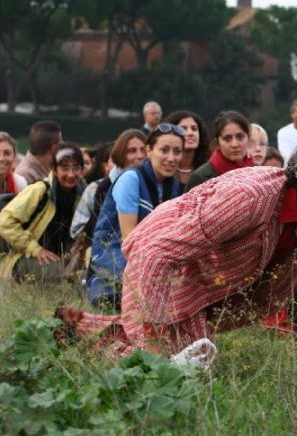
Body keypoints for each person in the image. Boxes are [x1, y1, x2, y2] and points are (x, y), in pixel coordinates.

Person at [56, 136, 297, 365]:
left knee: (191, 354)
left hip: (213, 283)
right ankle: (86, 349)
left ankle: (75, 325)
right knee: (178, 365)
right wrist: (151, 341)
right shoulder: (249, 199)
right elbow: (155, 254)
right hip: (168, 267)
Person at [85, 125, 183, 307]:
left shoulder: (174, 186)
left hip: (150, 256)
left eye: (177, 151)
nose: (171, 158)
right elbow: (129, 239)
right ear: (149, 151)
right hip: (114, 254)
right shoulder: (131, 179)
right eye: (164, 150)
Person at [0, 144, 85, 283]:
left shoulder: (83, 195)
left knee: (84, 273)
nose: (71, 174)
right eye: (65, 168)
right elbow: (4, 221)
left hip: (58, 258)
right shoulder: (40, 190)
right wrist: (35, 249)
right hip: (23, 258)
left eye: (76, 168)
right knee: (68, 277)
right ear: (54, 170)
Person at [68, 130, 148, 274]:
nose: (139, 156)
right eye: (132, 151)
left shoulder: (153, 183)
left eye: (143, 150)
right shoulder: (103, 187)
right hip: (111, 252)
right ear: (121, 155)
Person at [184, 111, 254, 192]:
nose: (235, 144)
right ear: (217, 143)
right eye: (227, 139)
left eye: (240, 137)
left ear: (248, 138)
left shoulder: (258, 172)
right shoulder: (201, 178)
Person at [164, 110, 210, 186]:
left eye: (194, 129)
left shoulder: (208, 170)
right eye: (183, 129)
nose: (190, 133)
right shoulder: (162, 169)